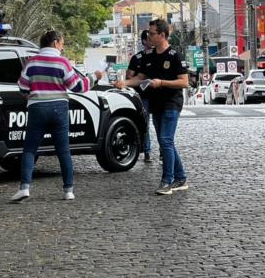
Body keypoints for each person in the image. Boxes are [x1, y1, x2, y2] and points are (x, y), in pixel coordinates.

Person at [10, 30, 103, 203]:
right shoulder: (63, 62)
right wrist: (94, 77)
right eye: (62, 43)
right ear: (55, 43)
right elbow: (77, 87)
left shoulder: (32, 62)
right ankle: (68, 190)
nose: (63, 46)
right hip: (59, 108)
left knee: (30, 149)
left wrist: (33, 92)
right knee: (63, 150)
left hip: (37, 108)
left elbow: (22, 87)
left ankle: (24, 188)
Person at [115, 19, 190, 195]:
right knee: (167, 142)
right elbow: (140, 78)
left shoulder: (174, 55)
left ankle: (167, 181)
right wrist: (124, 82)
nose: (148, 36)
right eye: (148, 33)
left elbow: (184, 82)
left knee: (165, 140)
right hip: (156, 104)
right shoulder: (148, 57)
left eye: (152, 33)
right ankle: (181, 178)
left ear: (162, 35)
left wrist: (161, 82)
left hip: (172, 102)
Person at [127, 29, 154, 162]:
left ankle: (163, 152)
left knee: (160, 124)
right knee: (145, 125)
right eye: (149, 39)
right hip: (143, 96)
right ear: (144, 41)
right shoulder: (137, 58)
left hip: (159, 95)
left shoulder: (159, 55)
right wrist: (140, 80)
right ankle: (147, 151)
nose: (152, 41)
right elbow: (129, 76)